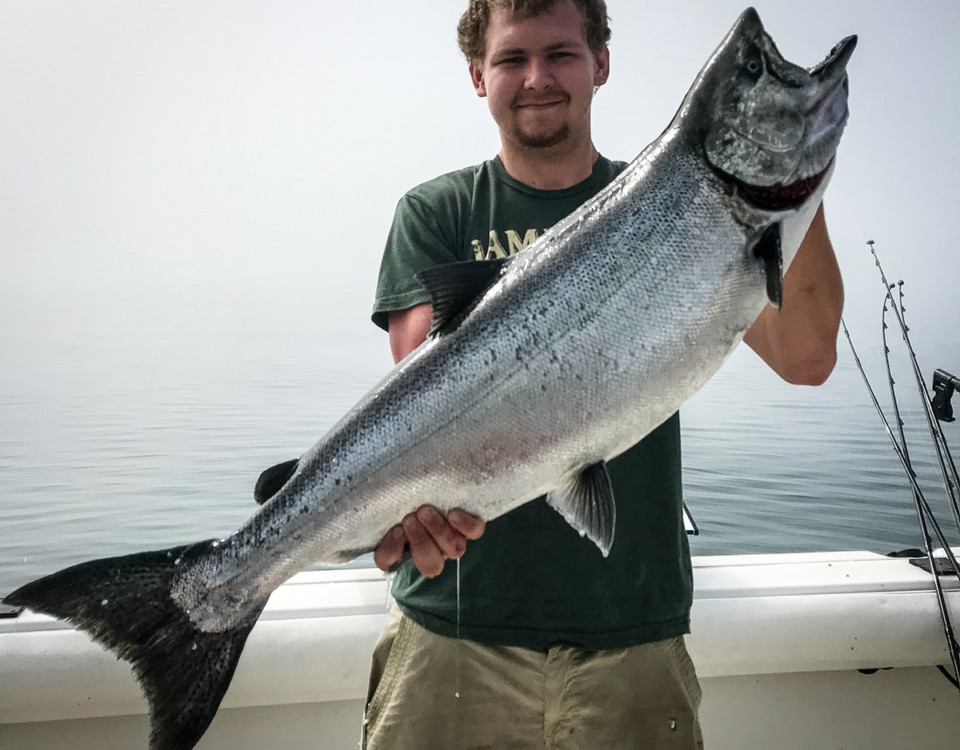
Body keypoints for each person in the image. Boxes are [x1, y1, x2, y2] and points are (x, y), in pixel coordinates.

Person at [363, 1, 844, 748]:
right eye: (511, 59)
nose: (535, 78)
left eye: (560, 54)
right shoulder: (437, 211)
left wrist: (790, 188)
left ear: (601, 65)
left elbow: (807, 357)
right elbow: (426, 401)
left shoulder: (680, 205)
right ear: (476, 77)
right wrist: (409, 497)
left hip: (633, 633)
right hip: (455, 632)